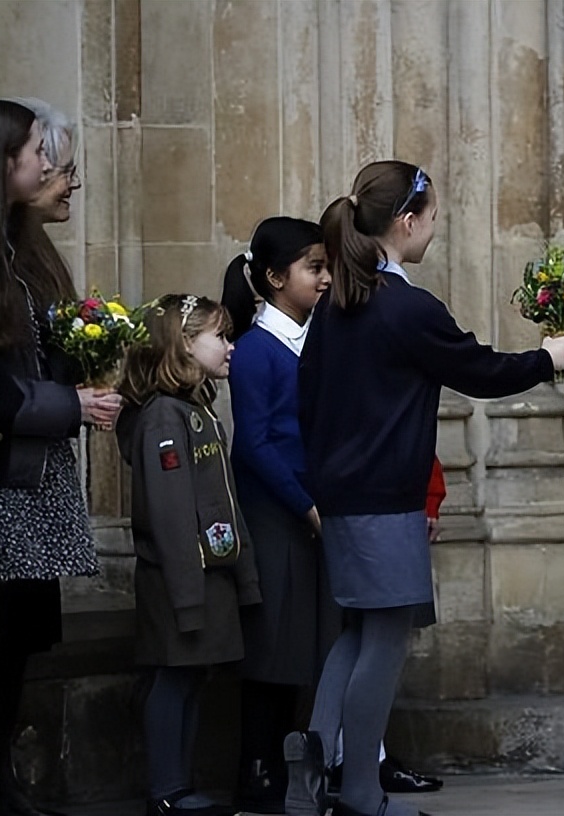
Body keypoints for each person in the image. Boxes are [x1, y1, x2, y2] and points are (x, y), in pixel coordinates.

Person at [284, 160, 564, 816]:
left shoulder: (335, 306)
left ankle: (311, 758)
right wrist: (547, 359)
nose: (435, 228)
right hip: (386, 499)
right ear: (406, 221)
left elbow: (309, 400)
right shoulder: (404, 307)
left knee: (357, 633)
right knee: (385, 641)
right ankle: (359, 791)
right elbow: (477, 369)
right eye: (434, 216)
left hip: (341, 493)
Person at [0, 98, 121, 816]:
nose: (51, 166)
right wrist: (70, 405)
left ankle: (4, 785)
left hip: (29, 480)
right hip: (1, 482)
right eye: (40, 152)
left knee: (15, 645)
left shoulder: (25, 253)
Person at [116, 294, 261, 816]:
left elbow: (222, 498)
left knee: (194, 678)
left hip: (209, 574)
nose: (230, 347)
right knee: (173, 679)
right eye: (220, 337)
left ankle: (180, 784)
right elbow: (172, 515)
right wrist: (187, 595)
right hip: (181, 579)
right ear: (183, 344)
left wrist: (242, 576)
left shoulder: (195, 409)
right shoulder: (162, 418)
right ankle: (166, 788)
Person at [221, 217, 339, 812]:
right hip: (277, 514)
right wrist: (305, 504)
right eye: (313, 268)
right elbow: (255, 444)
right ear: (273, 278)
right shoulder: (257, 352)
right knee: (271, 649)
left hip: (311, 513)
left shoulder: (314, 339)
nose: (324, 279)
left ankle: (302, 774)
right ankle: (256, 772)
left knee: (309, 646)